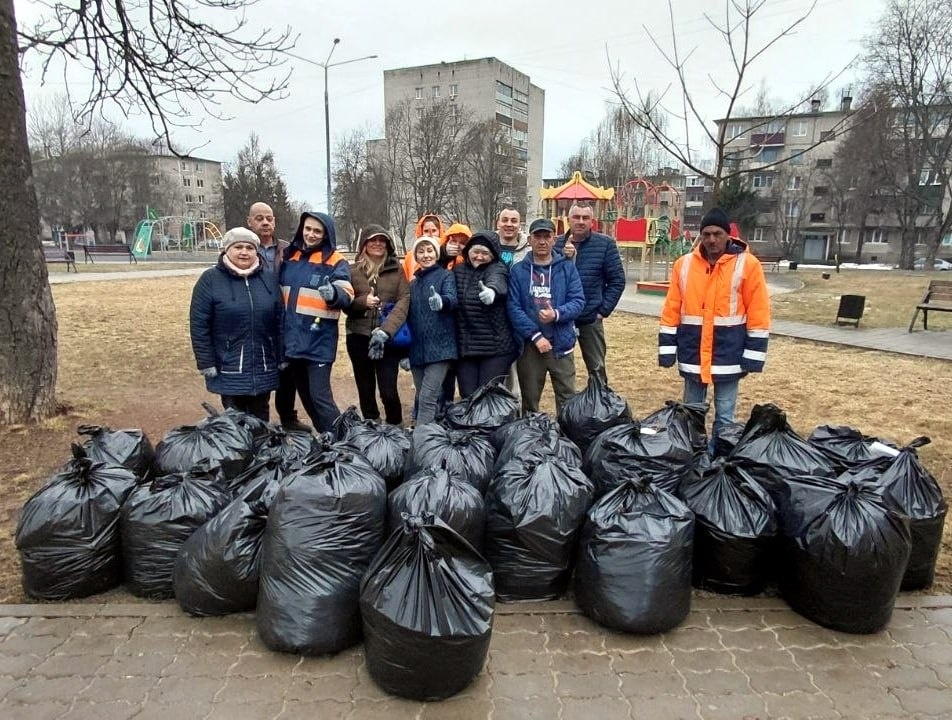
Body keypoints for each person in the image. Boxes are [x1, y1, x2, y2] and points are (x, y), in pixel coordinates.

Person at [658, 207, 771, 442]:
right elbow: (672, 308)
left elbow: (758, 310)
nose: (711, 239)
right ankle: (694, 452)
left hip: (728, 351)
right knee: (691, 413)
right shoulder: (684, 264)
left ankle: (719, 455)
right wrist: (667, 349)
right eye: (706, 234)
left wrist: (753, 355)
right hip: (693, 350)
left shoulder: (748, 265)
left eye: (717, 234)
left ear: (728, 235)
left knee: (725, 415)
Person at [189, 228, 283, 421]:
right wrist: (206, 362)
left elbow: (280, 320)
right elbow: (199, 325)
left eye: (249, 248)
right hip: (229, 365)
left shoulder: (268, 279)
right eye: (238, 247)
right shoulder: (210, 280)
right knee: (235, 421)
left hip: (263, 364)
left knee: (261, 419)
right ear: (227, 249)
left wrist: (281, 356)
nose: (244, 252)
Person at [279, 211, 354, 433]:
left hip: (318, 339)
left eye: (317, 231)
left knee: (320, 397)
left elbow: (347, 293)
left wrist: (334, 294)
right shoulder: (290, 257)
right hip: (293, 339)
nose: (311, 234)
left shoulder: (334, 260)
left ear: (326, 234)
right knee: (306, 396)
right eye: (308, 229)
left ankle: (344, 438)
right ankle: (326, 436)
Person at [508, 218, 585, 414]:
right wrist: (535, 336)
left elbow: (578, 301)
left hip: (561, 344)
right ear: (530, 240)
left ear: (554, 240)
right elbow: (514, 308)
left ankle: (566, 432)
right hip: (531, 346)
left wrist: (556, 314)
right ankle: (530, 432)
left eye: (546, 236)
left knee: (567, 400)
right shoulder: (518, 271)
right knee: (530, 401)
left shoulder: (567, 268)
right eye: (537, 236)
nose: (542, 241)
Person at [246, 201, 309, 432]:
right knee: (259, 369)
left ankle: (288, 417)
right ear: (249, 221)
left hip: (285, 317)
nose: (265, 222)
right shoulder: (244, 248)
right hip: (256, 317)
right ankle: (256, 421)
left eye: (269, 218)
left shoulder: (287, 249)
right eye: (259, 218)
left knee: (287, 372)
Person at [344, 224, 410, 425]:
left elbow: (404, 300)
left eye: (382, 240)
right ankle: (372, 426)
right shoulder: (352, 270)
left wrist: (385, 331)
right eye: (373, 240)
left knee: (388, 390)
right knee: (365, 389)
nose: (378, 243)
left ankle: (395, 426)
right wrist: (362, 302)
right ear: (364, 244)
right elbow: (345, 304)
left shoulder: (397, 269)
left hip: (387, 339)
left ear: (388, 244)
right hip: (358, 335)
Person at [554, 203, 625, 385]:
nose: (580, 221)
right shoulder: (556, 244)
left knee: (597, 368)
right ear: (568, 219)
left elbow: (617, 280)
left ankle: (600, 398)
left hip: (590, 318)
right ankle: (566, 400)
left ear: (592, 221)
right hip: (561, 318)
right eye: (576, 217)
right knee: (561, 371)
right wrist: (563, 256)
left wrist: (602, 310)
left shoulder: (605, 244)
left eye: (585, 218)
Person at [453, 231, 518, 398]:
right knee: (468, 396)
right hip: (466, 346)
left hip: (495, 347)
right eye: (475, 251)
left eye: (485, 253)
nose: (479, 257)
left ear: (493, 254)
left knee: (487, 396)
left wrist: (492, 291)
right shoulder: (458, 271)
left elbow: (498, 281)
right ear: (468, 251)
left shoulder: (497, 268)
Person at [406, 234, 458, 427]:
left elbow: (452, 299)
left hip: (441, 348)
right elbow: (406, 316)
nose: (426, 255)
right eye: (421, 251)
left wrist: (442, 302)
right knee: (422, 395)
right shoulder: (412, 284)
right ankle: (435, 432)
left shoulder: (446, 275)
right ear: (416, 256)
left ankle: (421, 438)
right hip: (417, 350)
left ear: (436, 254)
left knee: (428, 397)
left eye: (429, 251)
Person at [402, 213, 446, 280]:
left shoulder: (446, 254)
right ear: (421, 232)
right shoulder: (410, 256)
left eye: (434, 231)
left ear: (440, 232)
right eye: (426, 231)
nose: (430, 235)